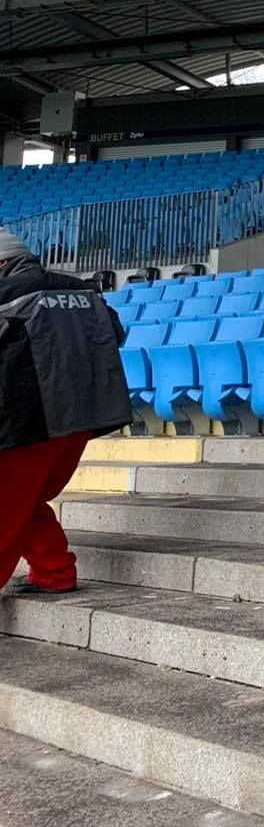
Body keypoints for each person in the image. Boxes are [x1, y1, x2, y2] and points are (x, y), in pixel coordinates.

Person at [0, 226, 131, 595]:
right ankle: (54, 571)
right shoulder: (84, 290)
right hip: (80, 419)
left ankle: (54, 571)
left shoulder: (4, 295)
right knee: (24, 500)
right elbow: (116, 335)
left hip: (23, 423)